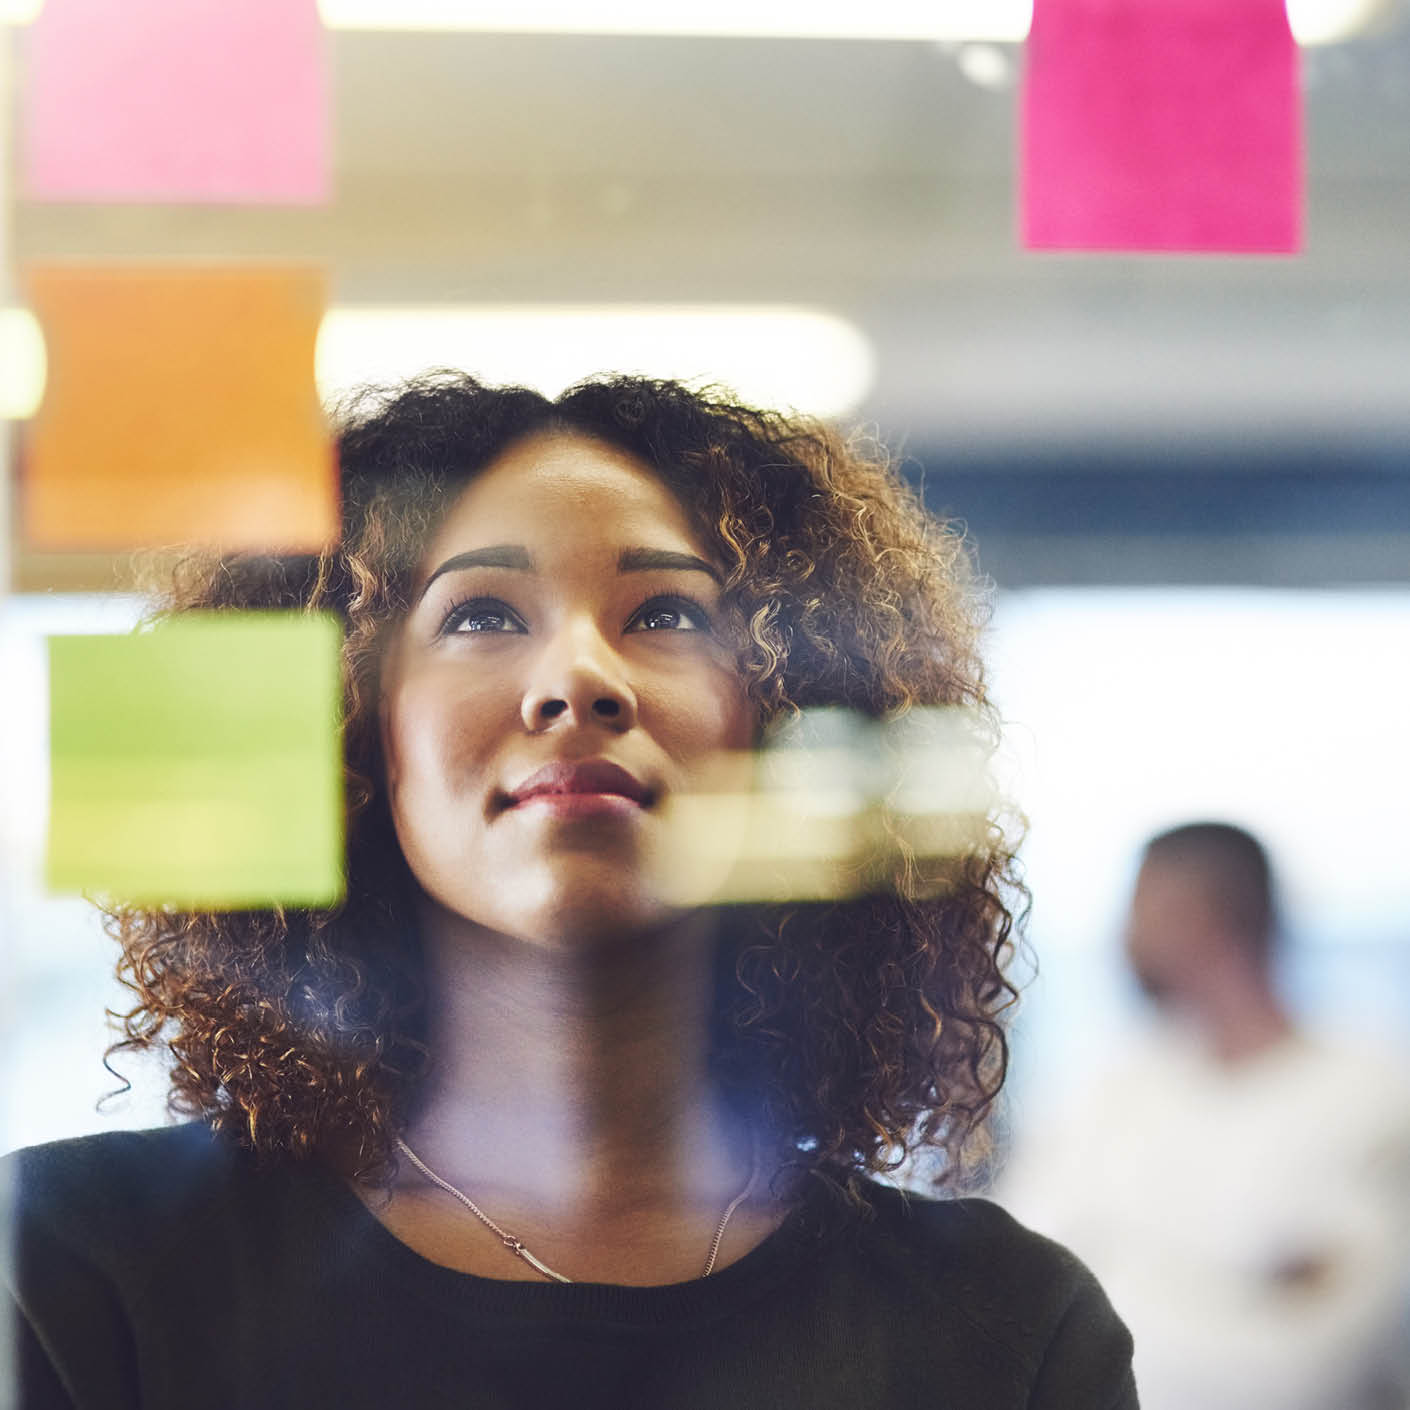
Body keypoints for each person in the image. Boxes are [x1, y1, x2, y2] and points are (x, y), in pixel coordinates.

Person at [3, 374, 1137, 1409]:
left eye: (667, 616)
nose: (579, 678)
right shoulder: (75, 1275)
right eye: (482, 615)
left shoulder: (1005, 1331)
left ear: (781, 721)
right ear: (353, 727)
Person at [1000, 821, 1410, 1410]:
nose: (1125, 938)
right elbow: (1016, 1294)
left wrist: (1106, 1279)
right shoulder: (1114, 1087)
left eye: (1143, 910)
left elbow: (1309, 1371)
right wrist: (1239, 1290)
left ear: (1205, 917)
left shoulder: (1371, 1096)